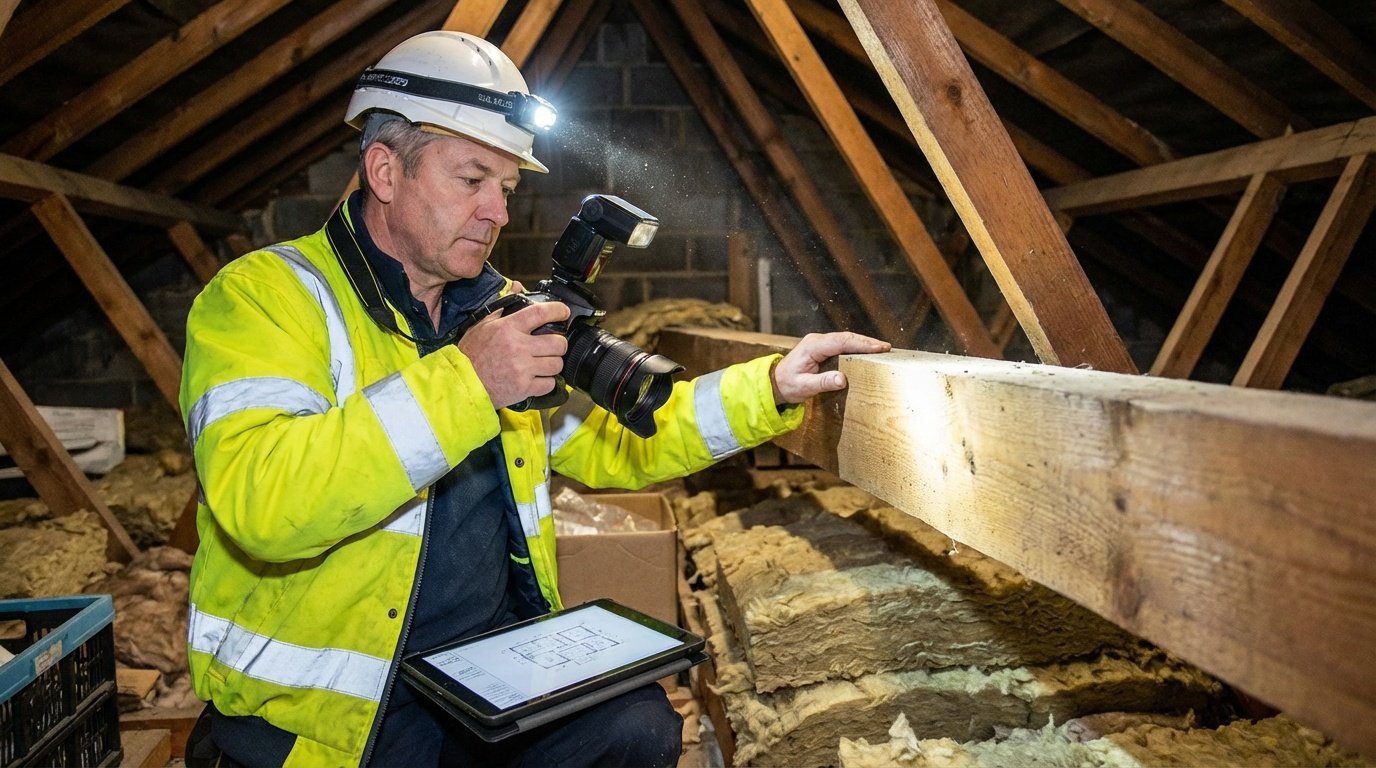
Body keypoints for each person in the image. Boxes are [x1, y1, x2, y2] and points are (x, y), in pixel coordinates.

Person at [179, 30, 890, 767]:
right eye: (471, 180)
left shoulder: (496, 311)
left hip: (484, 680)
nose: (498, 212)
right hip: (342, 715)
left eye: (508, 188)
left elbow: (627, 439)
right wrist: (469, 382)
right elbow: (264, 503)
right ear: (385, 172)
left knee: (637, 725)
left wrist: (770, 386)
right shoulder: (267, 300)